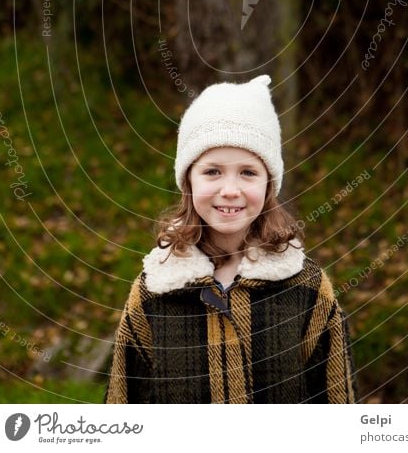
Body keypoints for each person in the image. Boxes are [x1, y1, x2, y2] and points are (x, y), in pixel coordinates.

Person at [105, 74, 358, 403]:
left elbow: (339, 402)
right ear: (189, 181)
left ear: (268, 185)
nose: (230, 190)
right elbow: (123, 403)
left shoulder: (307, 288)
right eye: (212, 171)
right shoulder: (153, 292)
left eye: (248, 172)